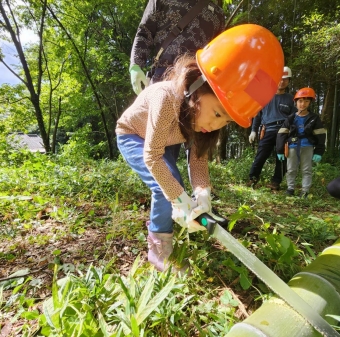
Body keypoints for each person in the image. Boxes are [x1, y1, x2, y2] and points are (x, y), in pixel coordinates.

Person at [116, 24, 284, 271]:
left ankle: (169, 228)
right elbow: (152, 156)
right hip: (134, 136)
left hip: (167, 138)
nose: (214, 124)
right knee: (167, 184)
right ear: (196, 87)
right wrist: (179, 199)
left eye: (225, 121)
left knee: (173, 185)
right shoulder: (165, 97)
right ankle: (158, 250)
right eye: (217, 113)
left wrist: (202, 193)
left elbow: (198, 160)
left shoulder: (202, 120)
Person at [129, 0, 225, 95]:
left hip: (197, 86)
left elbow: (217, 53)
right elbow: (145, 32)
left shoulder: (218, 14)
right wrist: (135, 65)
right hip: (162, 78)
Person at [246, 66, 296, 190]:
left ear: (289, 80)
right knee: (261, 155)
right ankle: (252, 178)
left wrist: (293, 134)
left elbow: (295, 118)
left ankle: (276, 182)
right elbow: (257, 115)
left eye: (285, 79)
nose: (282, 81)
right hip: (267, 130)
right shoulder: (265, 97)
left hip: (284, 132)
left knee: (282, 158)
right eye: (279, 79)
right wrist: (253, 130)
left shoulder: (291, 99)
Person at [276, 87, 326, 198]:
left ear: (310, 103)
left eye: (306, 101)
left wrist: (319, 152)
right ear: (296, 102)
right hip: (292, 146)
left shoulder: (314, 118)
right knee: (291, 169)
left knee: (306, 170)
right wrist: (279, 150)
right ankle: (290, 188)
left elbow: (321, 135)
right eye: (300, 101)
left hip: (307, 147)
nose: (303, 104)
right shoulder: (291, 118)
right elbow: (281, 134)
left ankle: (305, 190)